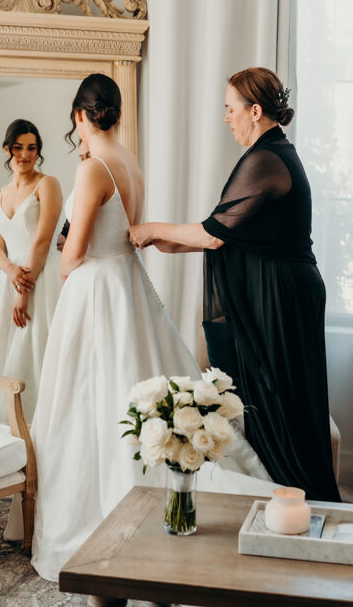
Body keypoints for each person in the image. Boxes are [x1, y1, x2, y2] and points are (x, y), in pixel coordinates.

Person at [28, 74, 272, 581]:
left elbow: (75, 253)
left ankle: (109, 525)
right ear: (115, 113)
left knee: (86, 402)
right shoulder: (129, 163)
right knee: (132, 384)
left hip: (96, 291)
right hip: (128, 284)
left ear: (80, 116)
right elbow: (125, 232)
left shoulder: (92, 168)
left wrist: (63, 264)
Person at [129, 67, 341, 503]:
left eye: (230, 109)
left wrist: (152, 229)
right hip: (281, 290)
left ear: (256, 111)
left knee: (282, 402)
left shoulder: (266, 158)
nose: (226, 118)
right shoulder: (273, 152)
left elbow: (213, 233)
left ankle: (304, 497)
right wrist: (173, 242)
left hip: (283, 297)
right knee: (275, 402)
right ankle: (285, 496)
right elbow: (234, 232)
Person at [0, 119, 63, 424]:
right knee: (6, 352)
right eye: (18, 148)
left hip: (41, 278)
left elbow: (42, 241)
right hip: (9, 280)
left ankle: (39, 425)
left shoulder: (47, 184)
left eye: (32, 148)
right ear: (7, 149)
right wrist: (11, 271)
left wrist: (23, 289)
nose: (25, 154)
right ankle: (5, 427)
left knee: (37, 349)